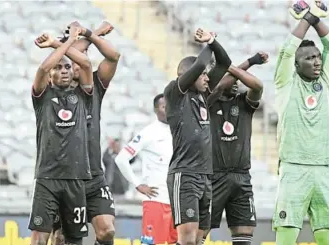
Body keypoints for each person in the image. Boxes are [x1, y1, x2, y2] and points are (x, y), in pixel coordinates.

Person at [37, 20, 119, 244]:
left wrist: (91, 34)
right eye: (64, 62)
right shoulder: (51, 91)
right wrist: (76, 39)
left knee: (106, 231)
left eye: (71, 62)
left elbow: (112, 57)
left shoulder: (92, 87)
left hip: (93, 176)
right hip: (64, 175)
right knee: (62, 237)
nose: (68, 66)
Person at [273, 1, 329, 244]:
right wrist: (308, 18)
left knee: (327, 233)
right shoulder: (286, 83)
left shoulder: (325, 82)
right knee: (287, 234)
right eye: (309, 58)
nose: (317, 62)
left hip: (322, 167)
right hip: (293, 167)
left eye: (317, 57)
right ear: (297, 65)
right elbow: (287, 51)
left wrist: (316, 18)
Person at [28, 25, 94, 245]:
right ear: (51, 76)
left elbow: (85, 64)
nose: (64, 70)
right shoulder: (42, 96)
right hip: (48, 177)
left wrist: (58, 43)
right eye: (58, 68)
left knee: (72, 238)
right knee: (39, 238)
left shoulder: (83, 95)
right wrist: (67, 42)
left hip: (76, 177)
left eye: (67, 67)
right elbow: (42, 69)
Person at [164, 28, 231, 245]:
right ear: (187, 75)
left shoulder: (203, 96)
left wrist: (213, 42)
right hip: (185, 175)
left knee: (200, 239)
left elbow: (224, 63)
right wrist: (207, 44)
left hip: (205, 175)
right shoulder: (175, 94)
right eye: (202, 75)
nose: (206, 77)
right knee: (188, 239)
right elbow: (201, 64)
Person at [205, 52, 267, 245]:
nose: (235, 81)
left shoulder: (244, 103)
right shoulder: (206, 103)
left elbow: (258, 86)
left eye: (238, 78)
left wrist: (230, 67)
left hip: (242, 177)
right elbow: (218, 86)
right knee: (199, 231)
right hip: (214, 176)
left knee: (244, 231)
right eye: (230, 78)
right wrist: (248, 62)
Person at [114, 94, 176, 245]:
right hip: (156, 201)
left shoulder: (178, 131)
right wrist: (137, 184)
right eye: (163, 107)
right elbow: (121, 158)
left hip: (178, 203)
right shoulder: (149, 133)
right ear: (156, 110)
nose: (168, 109)